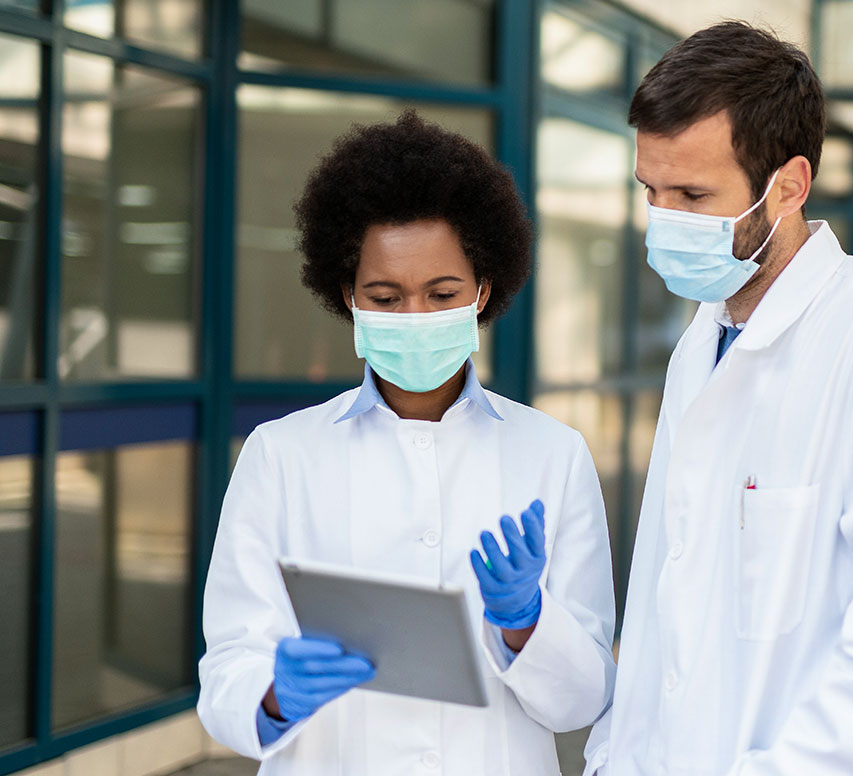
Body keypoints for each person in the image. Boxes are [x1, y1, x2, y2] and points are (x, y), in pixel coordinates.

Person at [583, 22, 853, 776]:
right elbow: (671, 601)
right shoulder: (704, 339)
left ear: (789, 186)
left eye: (694, 194)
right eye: (652, 191)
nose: (666, 220)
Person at [197, 112, 616, 775]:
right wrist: (274, 693)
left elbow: (584, 699)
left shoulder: (553, 453)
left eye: (441, 292)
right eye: (386, 296)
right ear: (348, 296)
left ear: (482, 289)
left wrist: (527, 623)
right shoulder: (281, 455)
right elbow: (225, 676)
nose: (414, 317)